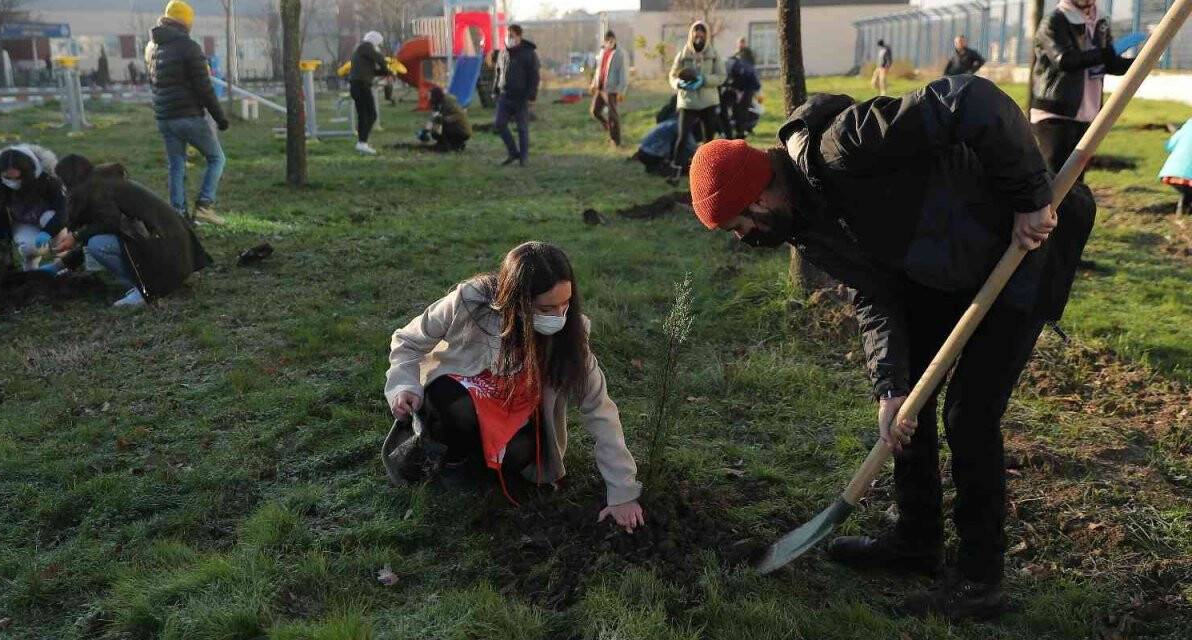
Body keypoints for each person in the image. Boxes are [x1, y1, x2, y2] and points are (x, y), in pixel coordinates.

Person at [685, 75, 1098, 620]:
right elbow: (873, 292)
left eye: (739, 225)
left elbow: (970, 98)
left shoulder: (847, 144)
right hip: (940, 270)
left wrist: (1029, 197)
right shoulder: (804, 224)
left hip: (1021, 248)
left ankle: (980, 580)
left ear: (760, 196)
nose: (744, 238)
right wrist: (890, 386)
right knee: (910, 406)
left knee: (969, 414)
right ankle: (916, 540)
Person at [382, 241, 644, 530]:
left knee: (520, 453)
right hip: (459, 404)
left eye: (565, 304)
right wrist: (403, 386)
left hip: (516, 426)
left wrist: (622, 493)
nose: (558, 316)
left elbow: (600, 411)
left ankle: (488, 467)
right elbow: (407, 341)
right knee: (451, 403)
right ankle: (452, 463)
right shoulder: (470, 302)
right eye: (545, 308)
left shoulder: (570, 339)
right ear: (516, 301)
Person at [51, 154, 211, 307]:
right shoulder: (104, 184)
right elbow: (100, 226)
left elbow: (110, 224)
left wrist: (76, 236)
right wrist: (62, 264)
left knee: (98, 244)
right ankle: (145, 284)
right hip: (175, 244)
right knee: (96, 239)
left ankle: (144, 289)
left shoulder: (101, 191)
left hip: (166, 247)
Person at [145, 0, 229, 225]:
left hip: (165, 118)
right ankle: (204, 205)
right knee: (216, 158)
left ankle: (178, 215)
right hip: (188, 116)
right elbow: (204, 87)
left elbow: (153, 83)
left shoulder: (151, 47)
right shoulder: (189, 46)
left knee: (176, 164)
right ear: (186, 22)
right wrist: (220, 118)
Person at [1031, 0, 1132, 178]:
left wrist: (1143, 60)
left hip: (1087, 114)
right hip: (1056, 113)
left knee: (1076, 181)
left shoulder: (1100, 21)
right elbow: (1064, 60)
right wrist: (1105, 53)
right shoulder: (1055, 20)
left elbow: (1110, 63)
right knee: (1054, 179)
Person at [0, 144, 70, 273]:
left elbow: (63, 210)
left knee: (51, 220)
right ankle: (31, 271)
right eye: (7, 178)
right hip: (23, 222)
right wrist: (4, 255)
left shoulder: (48, 179)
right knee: (29, 248)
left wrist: (49, 230)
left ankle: (63, 264)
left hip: (48, 218)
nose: (13, 182)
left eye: (17, 178)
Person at [666, 21, 723, 184]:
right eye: (696, 32)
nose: (699, 35)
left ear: (706, 35)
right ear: (691, 34)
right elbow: (672, 75)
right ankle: (675, 173)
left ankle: (709, 175)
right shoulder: (683, 54)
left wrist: (704, 80)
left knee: (709, 141)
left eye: (702, 32)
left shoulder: (713, 54)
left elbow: (721, 76)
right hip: (687, 102)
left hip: (708, 102)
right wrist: (678, 83)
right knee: (682, 137)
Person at [493, 24, 540, 167]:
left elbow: (534, 76)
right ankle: (513, 152)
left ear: (519, 36)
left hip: (521, 97)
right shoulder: (503, 53)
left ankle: (523, 158)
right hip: (505, 95)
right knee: (500, 124)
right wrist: (495, 90)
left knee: (522, 128)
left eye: (511, 36)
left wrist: (532, 96)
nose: (509, 38)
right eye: (507, 36)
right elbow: (499, 72)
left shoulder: (529, 54)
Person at [350, 31, 390, 156]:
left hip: (356, 85)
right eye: (379, 44)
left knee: (363, 115)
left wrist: (386, 72)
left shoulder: (360, 50)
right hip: (362, 86)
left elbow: (372, 71)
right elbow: (380, 60)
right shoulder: (366, 47)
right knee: (371, 114)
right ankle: (362, 143)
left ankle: (362, 144)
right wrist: (386, 68)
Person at [589, 30, 629, 147]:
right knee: (595, 111)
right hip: (600, 88)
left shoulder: (619, 54)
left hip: (612, 90)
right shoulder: (602, 52)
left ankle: (616, 141)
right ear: (605, 42)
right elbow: (598, 70)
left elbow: (623, 73)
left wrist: (621, 91)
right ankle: (607, 126)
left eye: (612, 40)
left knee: (613, 116)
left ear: (615, 40)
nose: (610, 43)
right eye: (607, 41)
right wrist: (593, 83)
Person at [722, 44, 761, 140]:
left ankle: (738, 134)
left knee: (738, 112)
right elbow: (755, 82)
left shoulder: (736, 62)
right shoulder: (749, 64)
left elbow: (739, 77)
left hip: (740, 89)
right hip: (747, 89)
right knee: (742, 112)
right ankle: (741, 133)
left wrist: (736, 89)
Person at [423, 86, 471, 152]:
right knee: (435, 132)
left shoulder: (448, 102)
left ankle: (447, 147)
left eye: (430, 96)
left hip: (462, 130)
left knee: (440, 126)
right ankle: (454, 145)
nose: (428, 98)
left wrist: (442, 120)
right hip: (454, 127)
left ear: (435, 96)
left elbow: (459, 115)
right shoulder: (438, 102)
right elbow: (433, 117)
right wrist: (425, 131)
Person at [1160, 118, 1192, 216]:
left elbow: (1169, 145)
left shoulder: (1189, 123)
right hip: (1189, 176)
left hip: (1172, 173)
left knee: (1187, 192)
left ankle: (1181, 212)